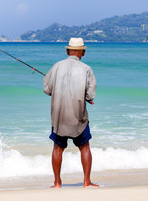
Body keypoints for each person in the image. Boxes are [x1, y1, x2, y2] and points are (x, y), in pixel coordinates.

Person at [43, 37, 98, 188]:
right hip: (78, 115)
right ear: (83, 53)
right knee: (85, 147)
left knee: (57, 148)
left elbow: (47, 89)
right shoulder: (86, 69)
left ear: (68, 51)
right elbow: (90, 95)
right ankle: (86, 181)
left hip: (59, 116)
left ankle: (57, 182)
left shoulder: (56, 67)